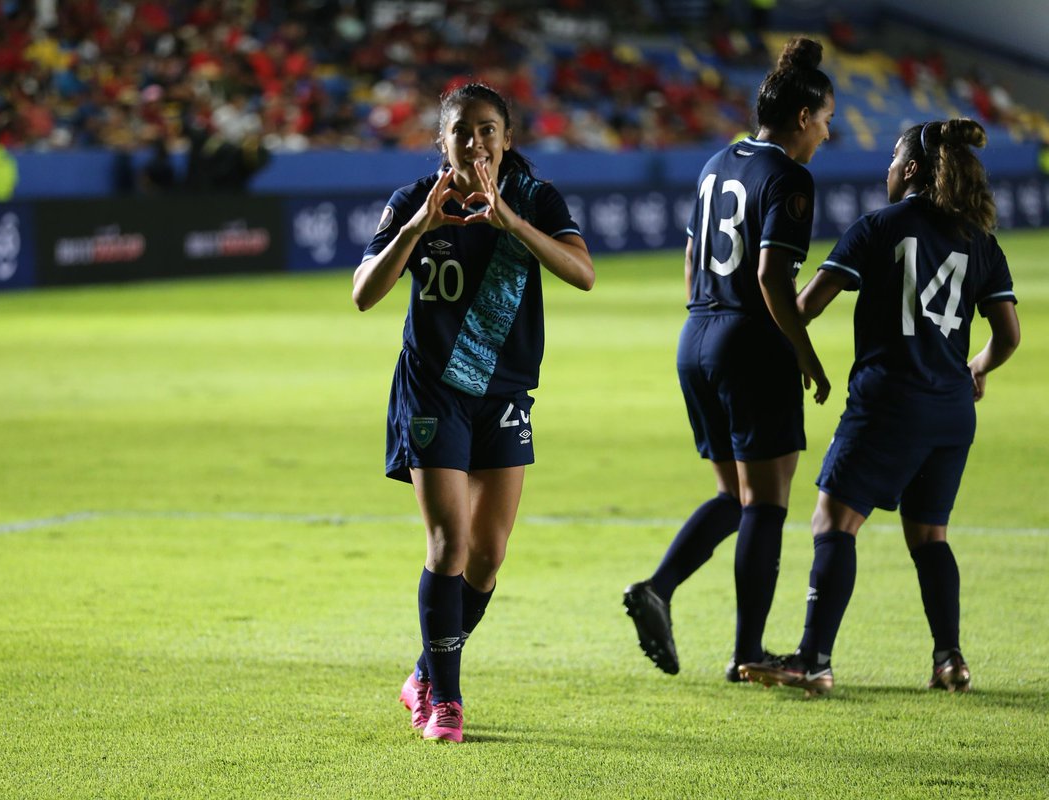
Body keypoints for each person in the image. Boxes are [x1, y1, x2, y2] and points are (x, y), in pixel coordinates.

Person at [741, 119, 1020, 696]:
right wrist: (977, 367)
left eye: (894, 160)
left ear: (912, 169)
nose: (887, 169)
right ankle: (950, 660)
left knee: (833, 523)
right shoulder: (980, 241)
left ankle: (813, 660)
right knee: (930, 536)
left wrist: (784, 336)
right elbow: (1009, 335)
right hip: (951, 413)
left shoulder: (877, 227)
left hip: (887, 404)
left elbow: (807, 305)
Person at [352, 83, 594, 742]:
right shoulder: (414, 202)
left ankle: (423, 673)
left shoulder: (537, 197)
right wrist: (415, 229)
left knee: (488, 556)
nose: (477, 142)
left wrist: (510, 223)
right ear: (443, 140)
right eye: (463, 131)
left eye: (489, 129)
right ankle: (446, 703)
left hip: (505, 393)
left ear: (507, 137)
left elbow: (583, 273)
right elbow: (363, 293)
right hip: (433, 393)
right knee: (450, 545)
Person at [623, 37, 834, 681]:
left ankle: (658, 587)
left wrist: (708, 315)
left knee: (731, 494)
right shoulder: (791, 179)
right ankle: (747, 652)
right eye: (825, 120)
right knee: (767, 502)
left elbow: (693, 258)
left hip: (697, 336)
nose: (828, 132)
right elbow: (772, 277)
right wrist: (806, 353)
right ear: (802, 118)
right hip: (751, 343)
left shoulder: (717, 162)